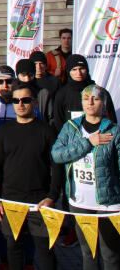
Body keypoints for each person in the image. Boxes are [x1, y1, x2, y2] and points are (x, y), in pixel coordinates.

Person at [0, 82, 63, 270]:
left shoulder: (46, 131)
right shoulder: (5, 131)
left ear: (35, 102)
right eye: (15, 100)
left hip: (39, 201)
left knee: (45, 249)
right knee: (14, 249)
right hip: (11, 200)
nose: (20, 104)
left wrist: (52, 196)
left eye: (25, 100)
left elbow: (57, 167)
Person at [51, 84, 120, 269]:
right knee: (88, 253)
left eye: (95, 98)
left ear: (104, 103)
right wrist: (88, 142)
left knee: (110, 255)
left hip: (108, 203)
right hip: (79, 202)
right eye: (86, 98)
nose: (89, 102)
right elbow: (57, 155)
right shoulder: (71, 127)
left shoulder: (113, 131)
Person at [52, 54, 116, 131]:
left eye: (82, 68)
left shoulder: (101, 92)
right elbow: (59, 123)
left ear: (87, 70)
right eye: (74, 69)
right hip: (72, 140)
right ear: (68, 71)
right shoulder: (62, 94)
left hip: (100, 138)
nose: (78, 73)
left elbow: (111, 120)